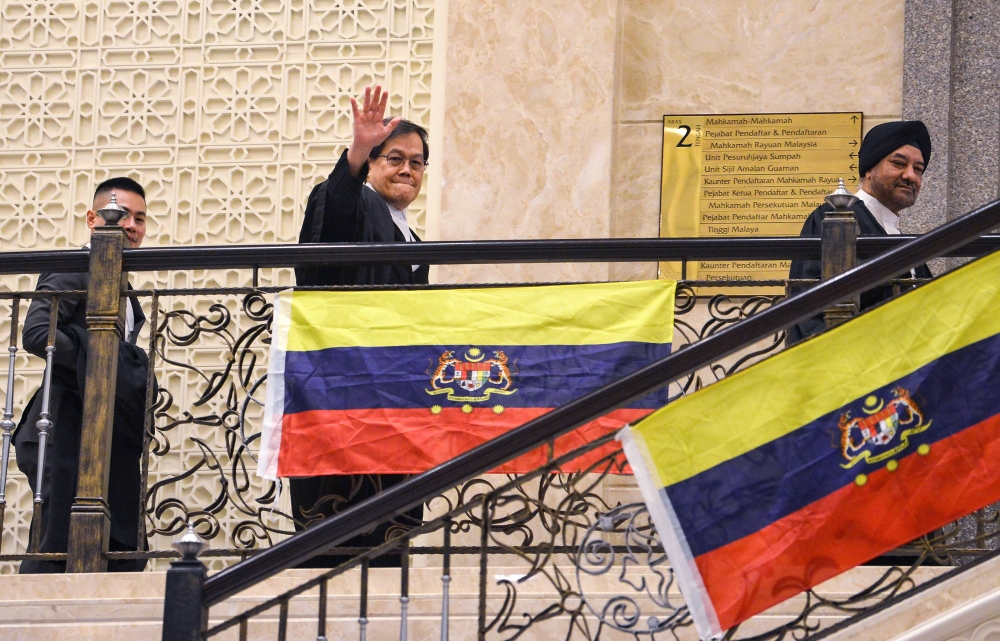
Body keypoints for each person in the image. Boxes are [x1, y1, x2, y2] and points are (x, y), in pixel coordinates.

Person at [292, 86, 429, 566]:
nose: (406, 169)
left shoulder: (411, 234)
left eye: (416, 162)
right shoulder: (357, 203)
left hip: (392, 400)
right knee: (337, 546)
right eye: (393, 157)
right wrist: (352, 157)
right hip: (340, 396)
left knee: (390, 538)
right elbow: (334, 219)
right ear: (371, 164)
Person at [14, 177, 151, 573]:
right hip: (64, 423)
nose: (132, 226)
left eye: (140, 219)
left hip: (100, 430)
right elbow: (37, 333)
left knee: (109, 532)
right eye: (121, 214)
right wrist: (102, 357)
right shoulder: (76, 267)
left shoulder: (124, 287)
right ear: (93, 219)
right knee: (56, 538)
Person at [787, 120, 934, 344]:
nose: (910, 176)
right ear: (869, 169)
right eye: (898, 163)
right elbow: (815, 310)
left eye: (918, 169)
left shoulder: (902, 238)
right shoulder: (834, 217)